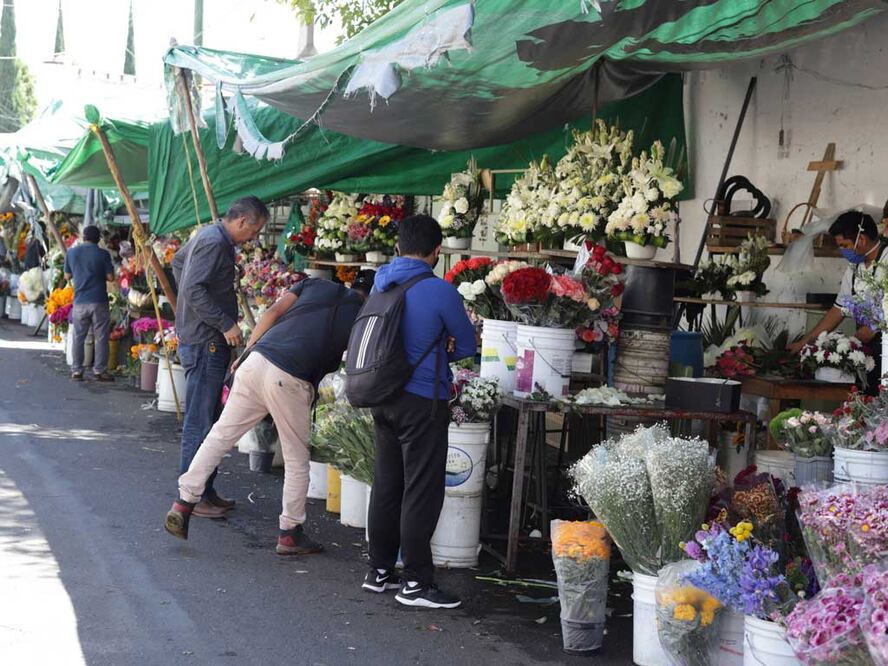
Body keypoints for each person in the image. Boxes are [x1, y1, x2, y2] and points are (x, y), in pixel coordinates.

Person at [164, 270, 375, 553]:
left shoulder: (313, 284)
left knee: (220, 435)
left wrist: (246, 353)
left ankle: (184, 501)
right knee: (296, 458)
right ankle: (289, 532)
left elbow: (272, 313)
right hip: (290, 377)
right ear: (371, 295)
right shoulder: (363, 316)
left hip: (256, 361)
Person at [362, 215, 476, 609]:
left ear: (396, 247)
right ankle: (415, 583)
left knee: (387, 484)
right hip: (422, 401)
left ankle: (378, 571)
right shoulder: (439, 291)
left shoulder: (380, 283)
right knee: (421, 490)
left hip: (382, 396)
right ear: (437, 252)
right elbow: (465, 345)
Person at [171, 196, 268, 519]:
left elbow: (178, 264)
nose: (253, 237)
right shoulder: (214, 241)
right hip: (205, 341)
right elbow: (194, 289)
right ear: (242, 222)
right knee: (200, 423)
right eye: (254, 230)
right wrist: (224, 323)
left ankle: (204, 491)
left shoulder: (209, 236)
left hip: (200, 337)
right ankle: (192, 497)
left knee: (209, 422)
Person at [787, 210, 887, 393]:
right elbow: (839, 310)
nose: (843, 251)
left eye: (845, 245)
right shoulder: (855, 268)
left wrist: (869, 330)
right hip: (867, 350)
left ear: (861, 240)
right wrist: (806, 342)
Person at [64, 225, 115, 381]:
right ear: (99, 239)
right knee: (101, 337)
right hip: (99, 300)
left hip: (80, 301)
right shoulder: (103, 254)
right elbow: (111, 277)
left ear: (83, 237)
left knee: (78, 337)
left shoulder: (71, 253)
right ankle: (99, 370)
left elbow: (67, 276)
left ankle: (77, 370)